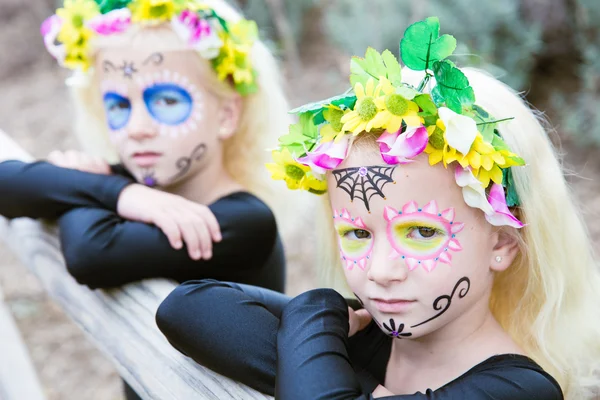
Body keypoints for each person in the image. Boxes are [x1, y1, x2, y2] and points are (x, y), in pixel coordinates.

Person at [156, 17, 600, 399]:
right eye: (357, 234)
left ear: (502, 241)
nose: (381, 270)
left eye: (422, 232)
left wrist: (319, 360)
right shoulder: (359, 332)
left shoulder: (521, 389)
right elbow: (188, 307)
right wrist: (322, 308)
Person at [0, 0, 305, 398]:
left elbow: (92, 253)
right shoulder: (137, 185)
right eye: (119, 105)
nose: (138, 129)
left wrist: (91, 186)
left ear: (227, 115)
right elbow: (6, 182)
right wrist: (125, 193)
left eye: (165, 101)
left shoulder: (245, 221)